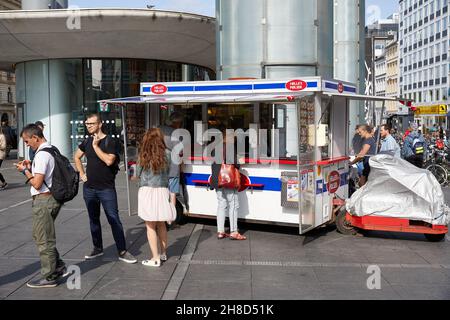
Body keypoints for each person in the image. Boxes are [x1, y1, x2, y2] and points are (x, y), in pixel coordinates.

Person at [74, 113, 137, 264]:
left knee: (113, 218)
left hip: (106, 188)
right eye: (87, 124)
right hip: (89, 188)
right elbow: (76, 157)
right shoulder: (87, 141)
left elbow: (109, 160)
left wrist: (96, 146)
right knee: (93, 219)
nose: (88, 126)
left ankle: (122, 250)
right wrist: (82, 173)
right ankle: (97, 247)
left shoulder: (110, 141)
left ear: (100, 124)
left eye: (91, 124)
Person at [15, 124, 67, 288]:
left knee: (44, 239)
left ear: (35, 138)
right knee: (39, 235)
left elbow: (37, 183)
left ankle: (50, 276)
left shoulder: (42, 155)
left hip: (44, 200)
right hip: (50, 198)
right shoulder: (51, 149)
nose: (26, 144)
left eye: (27, 140)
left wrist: (25, 171)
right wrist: (31, 167)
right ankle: (57, 265)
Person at [135, 128, 176, 267]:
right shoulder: (168, 154)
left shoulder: (143, 154)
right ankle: (164, 253)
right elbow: (170, 172)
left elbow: (136, 174)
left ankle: (155, 258)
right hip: (162, 189)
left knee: (150, 225)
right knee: (161, 223)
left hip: (147, 190)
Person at [210, 130, 246, 240]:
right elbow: (236, 163)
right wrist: (240, 160)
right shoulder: (230, 147)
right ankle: (234, 231)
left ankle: (220, 231)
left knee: (221, 205)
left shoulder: (215, 147)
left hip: (217, 180)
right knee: (233, 205)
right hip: (228, 181)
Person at [159, 112, 184, 208]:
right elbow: (180, 152)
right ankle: (171, 218)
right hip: (173, 169)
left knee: (161, 194)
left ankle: (162, 216)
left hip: (160, 168)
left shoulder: (159, 129)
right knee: (172, 194)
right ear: (177, 123)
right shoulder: (175, 133)